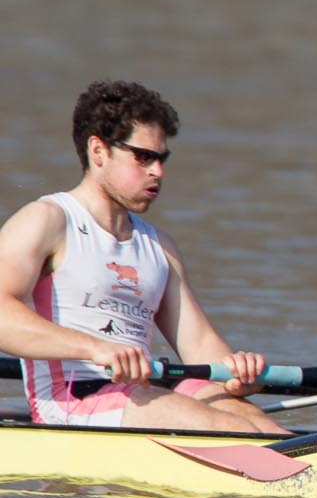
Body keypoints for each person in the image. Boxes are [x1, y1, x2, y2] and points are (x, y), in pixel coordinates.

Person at [0, 80, 283, 433]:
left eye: (162, 159)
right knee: (222, 426)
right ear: (98, 151)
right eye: (143, 157)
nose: (157, 172)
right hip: (72, 399)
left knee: (251, 420)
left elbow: (199, 346)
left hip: (140, 393)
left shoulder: (159, 246)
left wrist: (240, 371)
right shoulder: (47, 220)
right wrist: (94, 348)